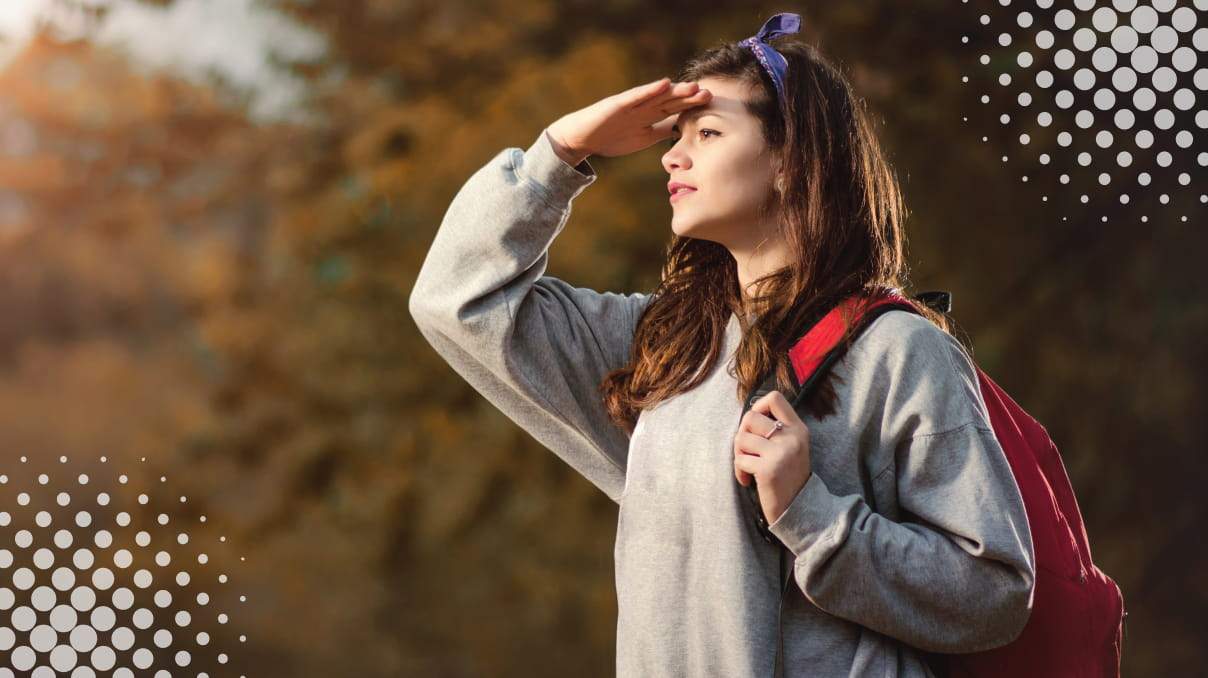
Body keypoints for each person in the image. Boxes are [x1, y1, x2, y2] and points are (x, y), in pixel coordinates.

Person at [409, 13, 1035, 678]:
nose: (673, 156)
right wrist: (557, 153)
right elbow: (459, 300)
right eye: (677, 136)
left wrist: (812, 514)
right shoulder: (665, 350)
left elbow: (991, 594)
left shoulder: (899, 351)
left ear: (791, 163)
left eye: (707, 133)